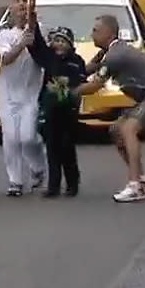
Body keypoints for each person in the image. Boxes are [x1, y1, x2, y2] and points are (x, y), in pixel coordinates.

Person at [78, 15, 145, 203]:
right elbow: (86, 70)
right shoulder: (110, 51)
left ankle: (135, 186)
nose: (92, 34)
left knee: (128, 129)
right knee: (116, 131)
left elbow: (94, 86)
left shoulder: (116, 55)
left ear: (109, 33)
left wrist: (69, 92)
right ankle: (142, 180)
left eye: (95, 30)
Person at [22, 12, 86, 198]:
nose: (59, 44)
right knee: (52, 148)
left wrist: (70, 85)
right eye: (56, 40)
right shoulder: (48, 58)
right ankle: (53, 186)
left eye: (63, 41)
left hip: (69, 111)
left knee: (67, 148)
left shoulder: (77, 62)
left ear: (71, 45)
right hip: (50, 111)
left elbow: (81, 82)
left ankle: (73, 183)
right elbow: (37, 45)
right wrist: (32, 24)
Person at [0, 0, 47, 197]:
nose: (22, 4)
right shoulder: (3, 34)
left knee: (28, 136)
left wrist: (34, 35)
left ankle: (38, 168)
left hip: (31, 92)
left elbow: (47, 56)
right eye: (17, 1)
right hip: (7, 93)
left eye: (25, 0)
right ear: (10, 8)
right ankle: (15, 180)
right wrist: (22, 43)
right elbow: (5, 59)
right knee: (11, 137)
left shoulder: (40, 31)